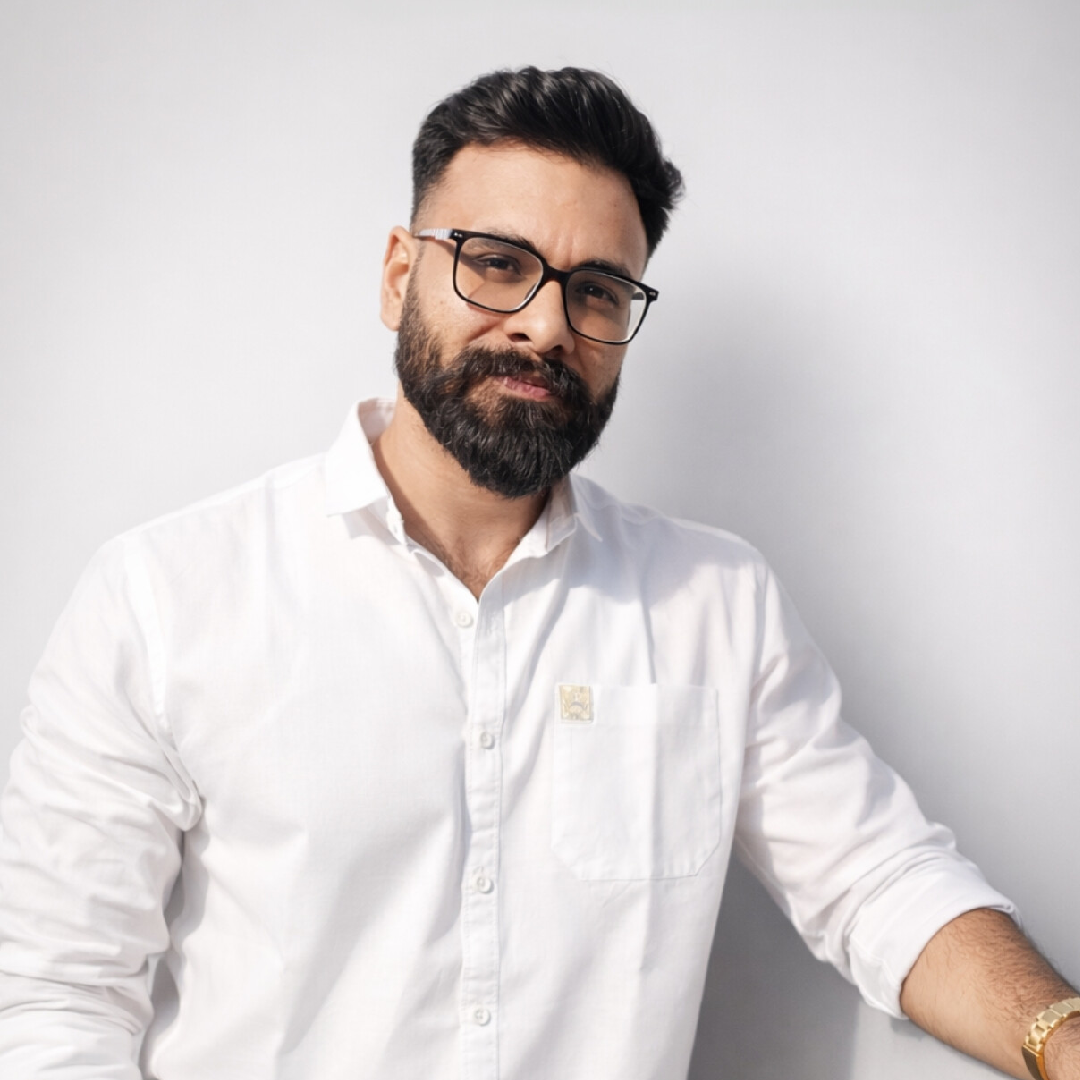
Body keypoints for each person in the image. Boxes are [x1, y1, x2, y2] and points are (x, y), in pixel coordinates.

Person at [0, 65, 1076, 1080]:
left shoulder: (716, 605)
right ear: (399, 276)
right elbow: (51, 997)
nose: (547, 324)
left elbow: (878, 881)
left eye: (598, 290)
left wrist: (1060, 1038)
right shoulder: (164, 597)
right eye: (498, 262)